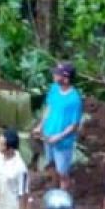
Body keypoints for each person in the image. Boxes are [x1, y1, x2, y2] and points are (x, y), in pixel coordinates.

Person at [32, 62, 83, 191]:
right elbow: (49, 108)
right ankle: (54, 189)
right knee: (51, 164)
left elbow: (74, 125)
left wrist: (59, 137)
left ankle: (62, 194)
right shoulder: (54, 88)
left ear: (66, 78)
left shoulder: (74, 99)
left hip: (63, 142)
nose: (54, 75)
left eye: (57, 74)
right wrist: (40, 126)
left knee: (62, 171)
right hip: (48, 135)